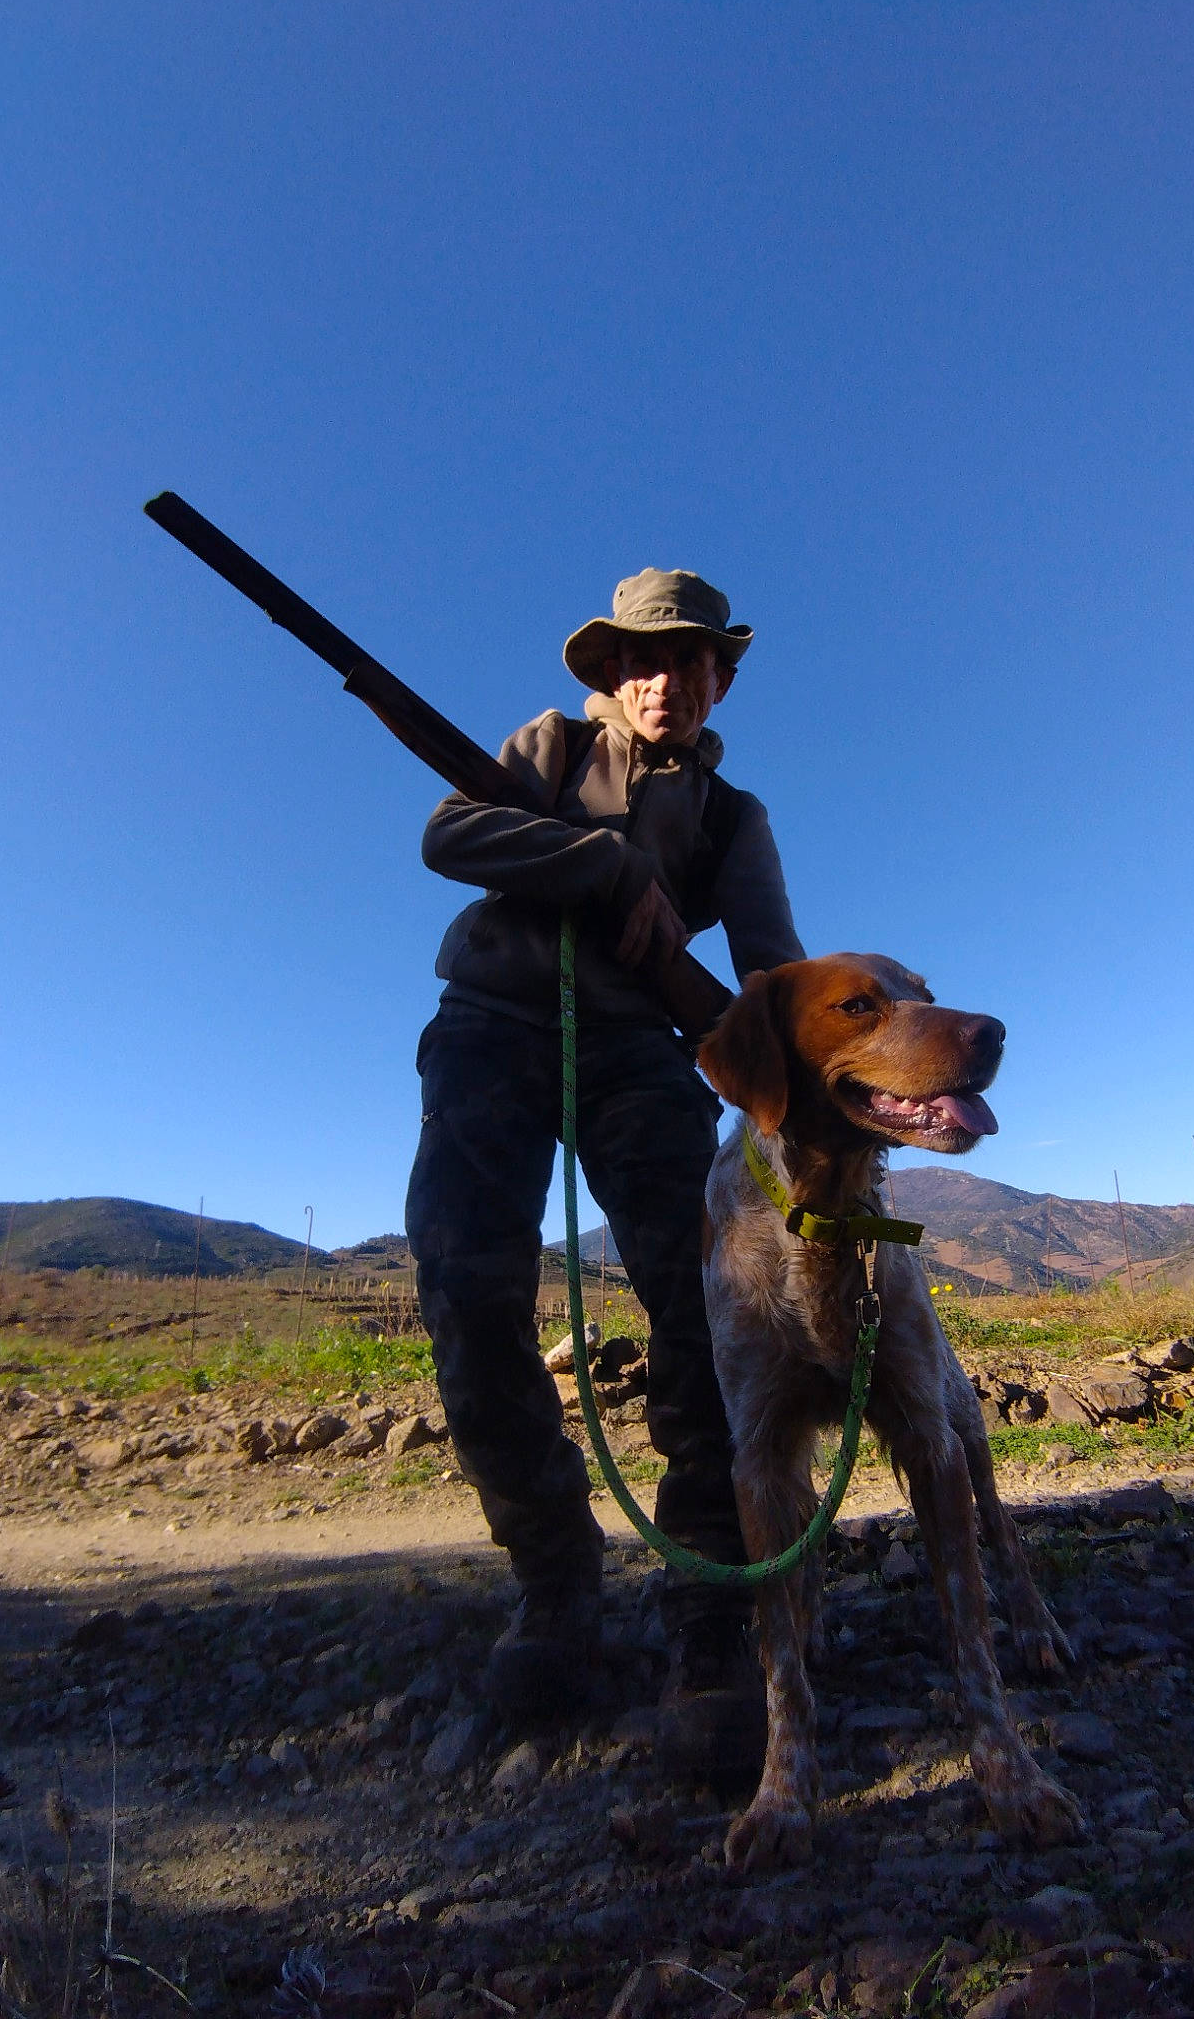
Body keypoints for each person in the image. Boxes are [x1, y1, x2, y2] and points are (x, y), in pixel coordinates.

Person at [405, 568, 803, 1769]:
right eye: (642, 658)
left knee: (703, 1297)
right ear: (608, 675)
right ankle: (556, 1587)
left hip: (638, 1045)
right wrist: (610, 869)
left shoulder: (736, 820)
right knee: (469, 1290)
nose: (662, 679)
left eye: (687, 659)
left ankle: (708, 1610)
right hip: (491, 1024)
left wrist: (802, 1104)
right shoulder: (547, 746)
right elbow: (449, 831)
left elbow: (774, 978)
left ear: (718, 676)